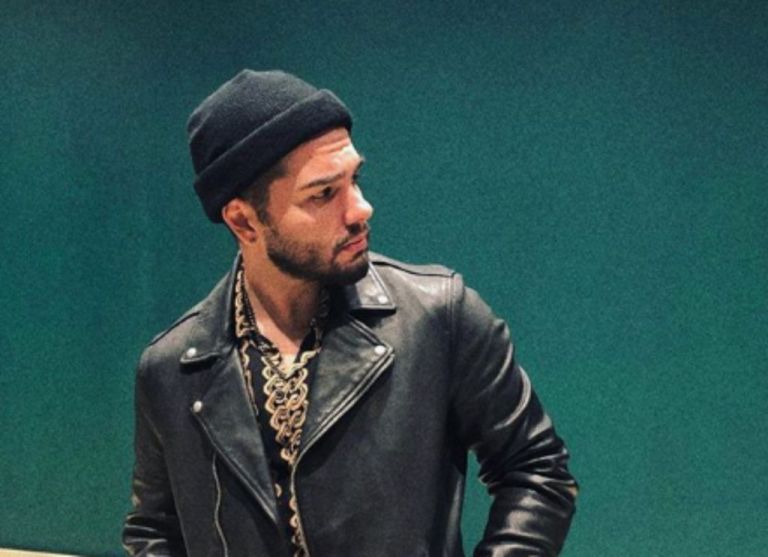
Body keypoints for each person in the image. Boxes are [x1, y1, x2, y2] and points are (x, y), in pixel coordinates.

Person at [122, 69, 578, 557]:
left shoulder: (438, 316)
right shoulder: (172, 368)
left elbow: (537, 470)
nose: (361, 209)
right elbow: (154, 532)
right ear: (243, 220)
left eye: (354, 179)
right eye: (323, 193)